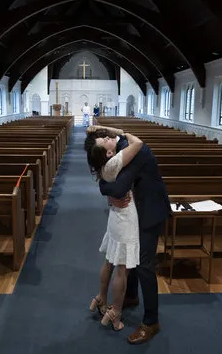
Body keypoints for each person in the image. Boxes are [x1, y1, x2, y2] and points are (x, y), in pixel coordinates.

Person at [84, 125, 171, 345]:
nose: (107, 137)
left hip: (150, 210)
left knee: (143, 264)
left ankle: (151, 322)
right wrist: (109, 194)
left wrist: (109, 194)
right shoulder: (125, 147)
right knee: (130, 256)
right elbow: (108, 181)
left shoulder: (134, 150)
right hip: (138, 209)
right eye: (103, 138)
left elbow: (117, 186)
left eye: (106, 136)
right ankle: (131, 295)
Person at [87, 130, 143, 331]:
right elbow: (137, 143)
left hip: (115, 216)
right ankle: (116, 312)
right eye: (106, 141)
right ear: (108, 154)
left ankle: (101, 298)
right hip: (125, 217)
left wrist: (107, 137)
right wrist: (123, 133)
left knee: (110, 261)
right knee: (122, 269)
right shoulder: (114, 162)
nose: (110, 139)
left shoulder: (104, 166)